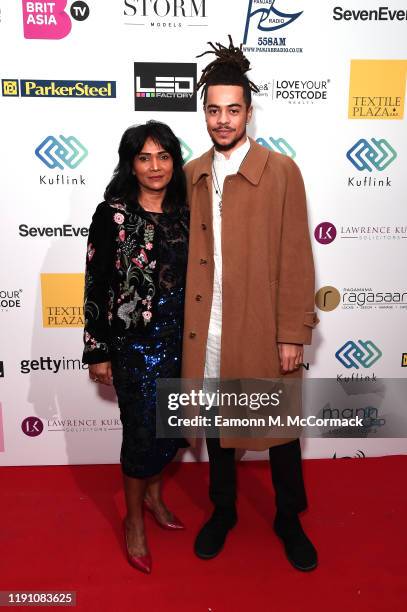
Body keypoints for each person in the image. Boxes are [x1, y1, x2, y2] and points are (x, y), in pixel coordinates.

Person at [182, 38, 319, 571]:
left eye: (232, 109)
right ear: (205, 112)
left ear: (248, 111)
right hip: (206, 328)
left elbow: (297, 257)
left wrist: (292, 333)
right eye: (213, 110)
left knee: (279, 428)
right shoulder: (192, 173)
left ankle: (289, 517)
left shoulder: (280, 170)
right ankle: (223, 510)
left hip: (261, 327)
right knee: (218, 427)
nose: (222, 120)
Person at [82, 121, 189, 574]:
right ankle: (134, 523)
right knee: (139, 432)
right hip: (132, 344)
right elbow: (95, 284)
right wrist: (98, 350)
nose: (154, 166)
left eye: (163, 156)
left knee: (169, 429)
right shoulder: (112, 215)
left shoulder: (189, 212)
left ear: (174, 162)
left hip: (182, 341)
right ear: (131, 163)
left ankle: (155, 497)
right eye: (144, 157)